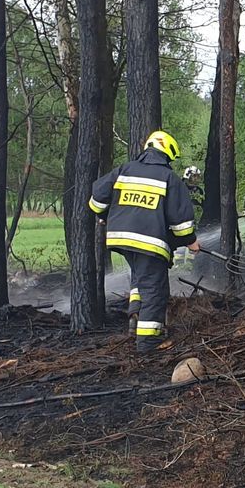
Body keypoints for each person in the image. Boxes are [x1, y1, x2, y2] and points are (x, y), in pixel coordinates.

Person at [90, 130, 199, 351]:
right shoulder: (169, 178)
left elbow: (97, 199)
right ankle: (148, 343)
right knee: (155, 290)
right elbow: (182, 222)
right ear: (167, 153)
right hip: (149, 243)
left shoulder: (125, 170)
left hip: (121, 239)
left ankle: (135, 319)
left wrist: (103, 217)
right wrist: (191, 241)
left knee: (140, 280)